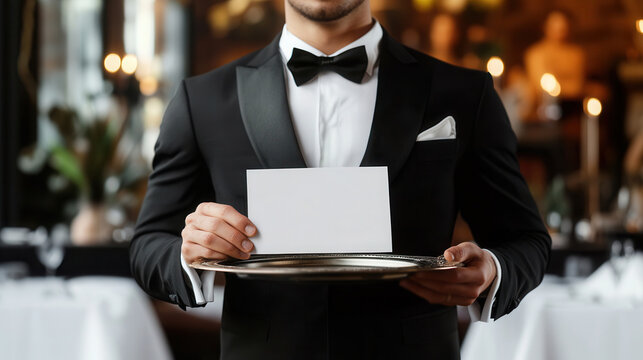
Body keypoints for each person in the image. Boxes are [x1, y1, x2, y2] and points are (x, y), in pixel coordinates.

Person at [130, 1, 551, 359]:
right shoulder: (201, 100)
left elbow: (526, 240)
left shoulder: (464, 93)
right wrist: (190, 252)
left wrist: (491, 271)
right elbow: (149, 244)